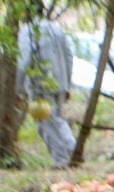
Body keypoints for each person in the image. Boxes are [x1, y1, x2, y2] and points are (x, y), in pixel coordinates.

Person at [17, 12, 76, 167]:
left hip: (41, 84)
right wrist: (67, 84)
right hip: (61, 82)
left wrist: (18, 87)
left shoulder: (29, 30)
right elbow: (69, 56)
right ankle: (73, 152)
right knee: (57, 120)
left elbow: (24, 59)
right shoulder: (56, 29)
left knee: (46, 123)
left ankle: (61, 160)